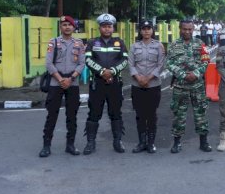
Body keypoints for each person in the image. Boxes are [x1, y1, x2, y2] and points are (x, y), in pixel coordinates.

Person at [39, 15, 85, 158]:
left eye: (69, 25)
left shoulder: (79, 44)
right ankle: (46, 146)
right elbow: (48, 63)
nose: (67, 27)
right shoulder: (53, 42)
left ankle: (70, 145)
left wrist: (70, 79)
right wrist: (60, 79)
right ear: (60, 27)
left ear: (73, 27)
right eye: (64, 25)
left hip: (73, 83)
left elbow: (82, 63)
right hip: (55, 83)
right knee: (52, 115)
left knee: (72, 115)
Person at [83, 13, 129, 155]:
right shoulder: (92, 43)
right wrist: (103, 72)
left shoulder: (119, 42)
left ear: (113, 27)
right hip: (97, 83)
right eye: (104, 26)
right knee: (94, 113)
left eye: (109, 26)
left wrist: (113, 71)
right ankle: (90, 142)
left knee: (116, 113)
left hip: (115, 83)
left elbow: (125, 60)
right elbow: (88, 60)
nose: (107, 29)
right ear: (100, 28)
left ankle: (117, 141)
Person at [167, 19, 212, 153]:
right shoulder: (174, 45)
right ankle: (176, 143)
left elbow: (206, 61)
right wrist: (182, 74)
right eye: (184, 29)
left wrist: (196, 73)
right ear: (180, 29)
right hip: (180, 87)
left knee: (201, 114)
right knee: (178, 115)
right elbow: (169, 63)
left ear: (193, 29)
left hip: (197, 86)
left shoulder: (200, 44)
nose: (187, 31)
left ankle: (203, 142)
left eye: (190, 29)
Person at [129, 19, 166, 154]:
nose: (146, 31)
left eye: (148, 28)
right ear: (140, 31)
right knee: (139, 114)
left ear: (152, 30)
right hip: (137, 85)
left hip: (153, 85)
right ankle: (141, 142)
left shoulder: (159, 46)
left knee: (151, 114)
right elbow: (131, 65)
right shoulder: (134, 46)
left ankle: (151, 143)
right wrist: (139, 78)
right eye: (143, 28)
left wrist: (148, 78)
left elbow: (161, 65)